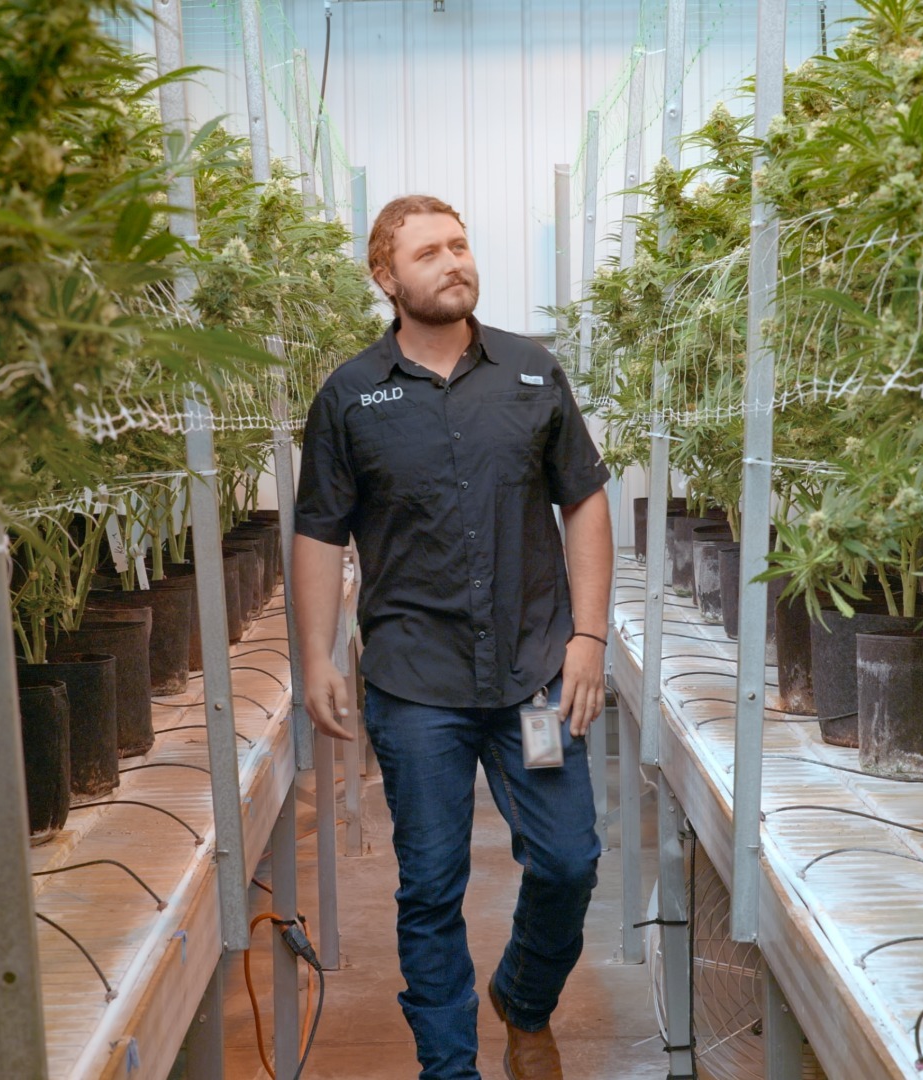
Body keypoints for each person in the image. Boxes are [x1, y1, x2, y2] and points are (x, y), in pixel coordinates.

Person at [290, 194, 614, 1080]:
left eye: (460, 244)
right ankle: (449, 1068)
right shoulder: (352, 396)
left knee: (569, 861)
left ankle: (524, 996)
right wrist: (314, 657)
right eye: (428, 251)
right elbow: (319, 530)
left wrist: (589, 635)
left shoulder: (534, 373)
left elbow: (583, 499)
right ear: (386, 277)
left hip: (536, 676)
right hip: (414, 683)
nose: (452, 261)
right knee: (429, 887)